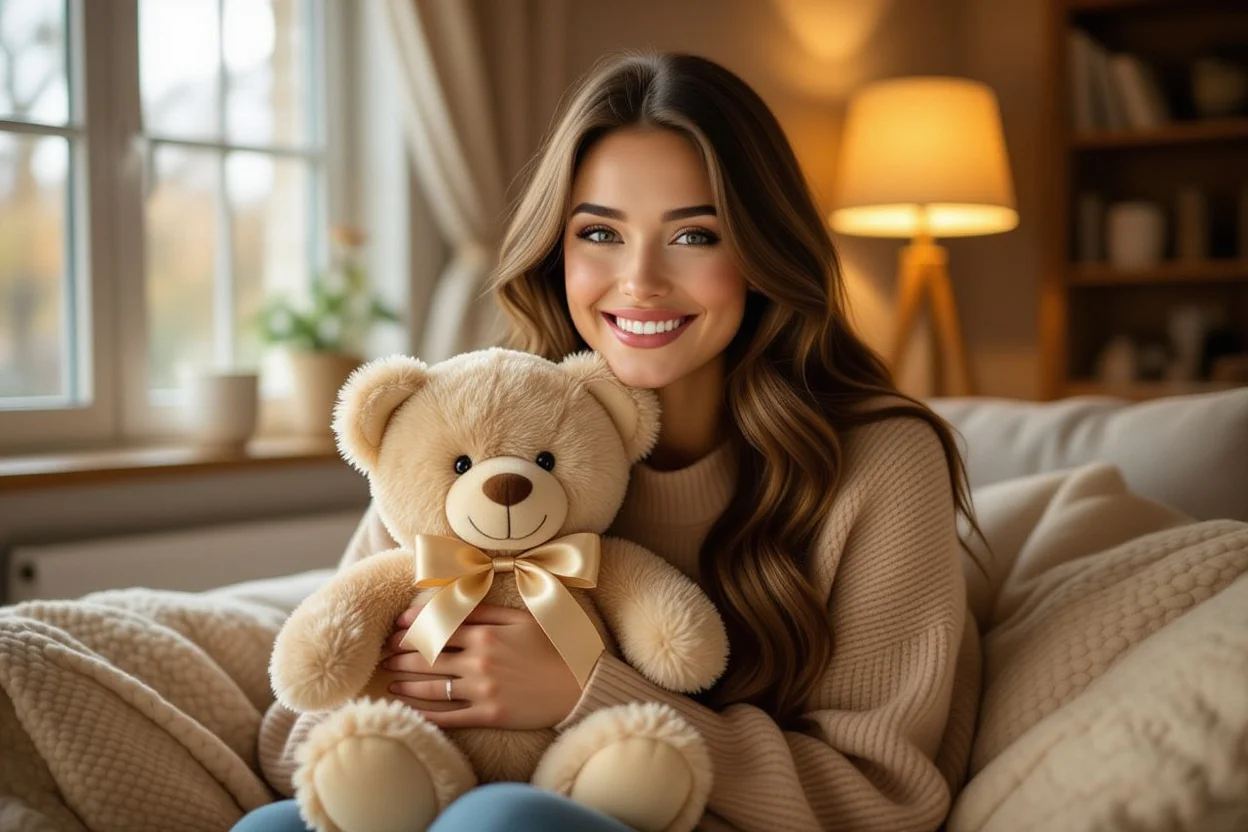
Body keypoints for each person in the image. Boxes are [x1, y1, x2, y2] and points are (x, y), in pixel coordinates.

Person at [235, 50, 982, 832]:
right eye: (600, 233)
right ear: (558, 253)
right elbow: (293, 739)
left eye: (695, 236)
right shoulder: (485, 428)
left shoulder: (879, 462)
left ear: (761, 257)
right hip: (454, 805)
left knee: (503, 820)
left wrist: (583, 687)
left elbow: (883, 795)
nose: (641, 280)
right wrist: (409, 717)